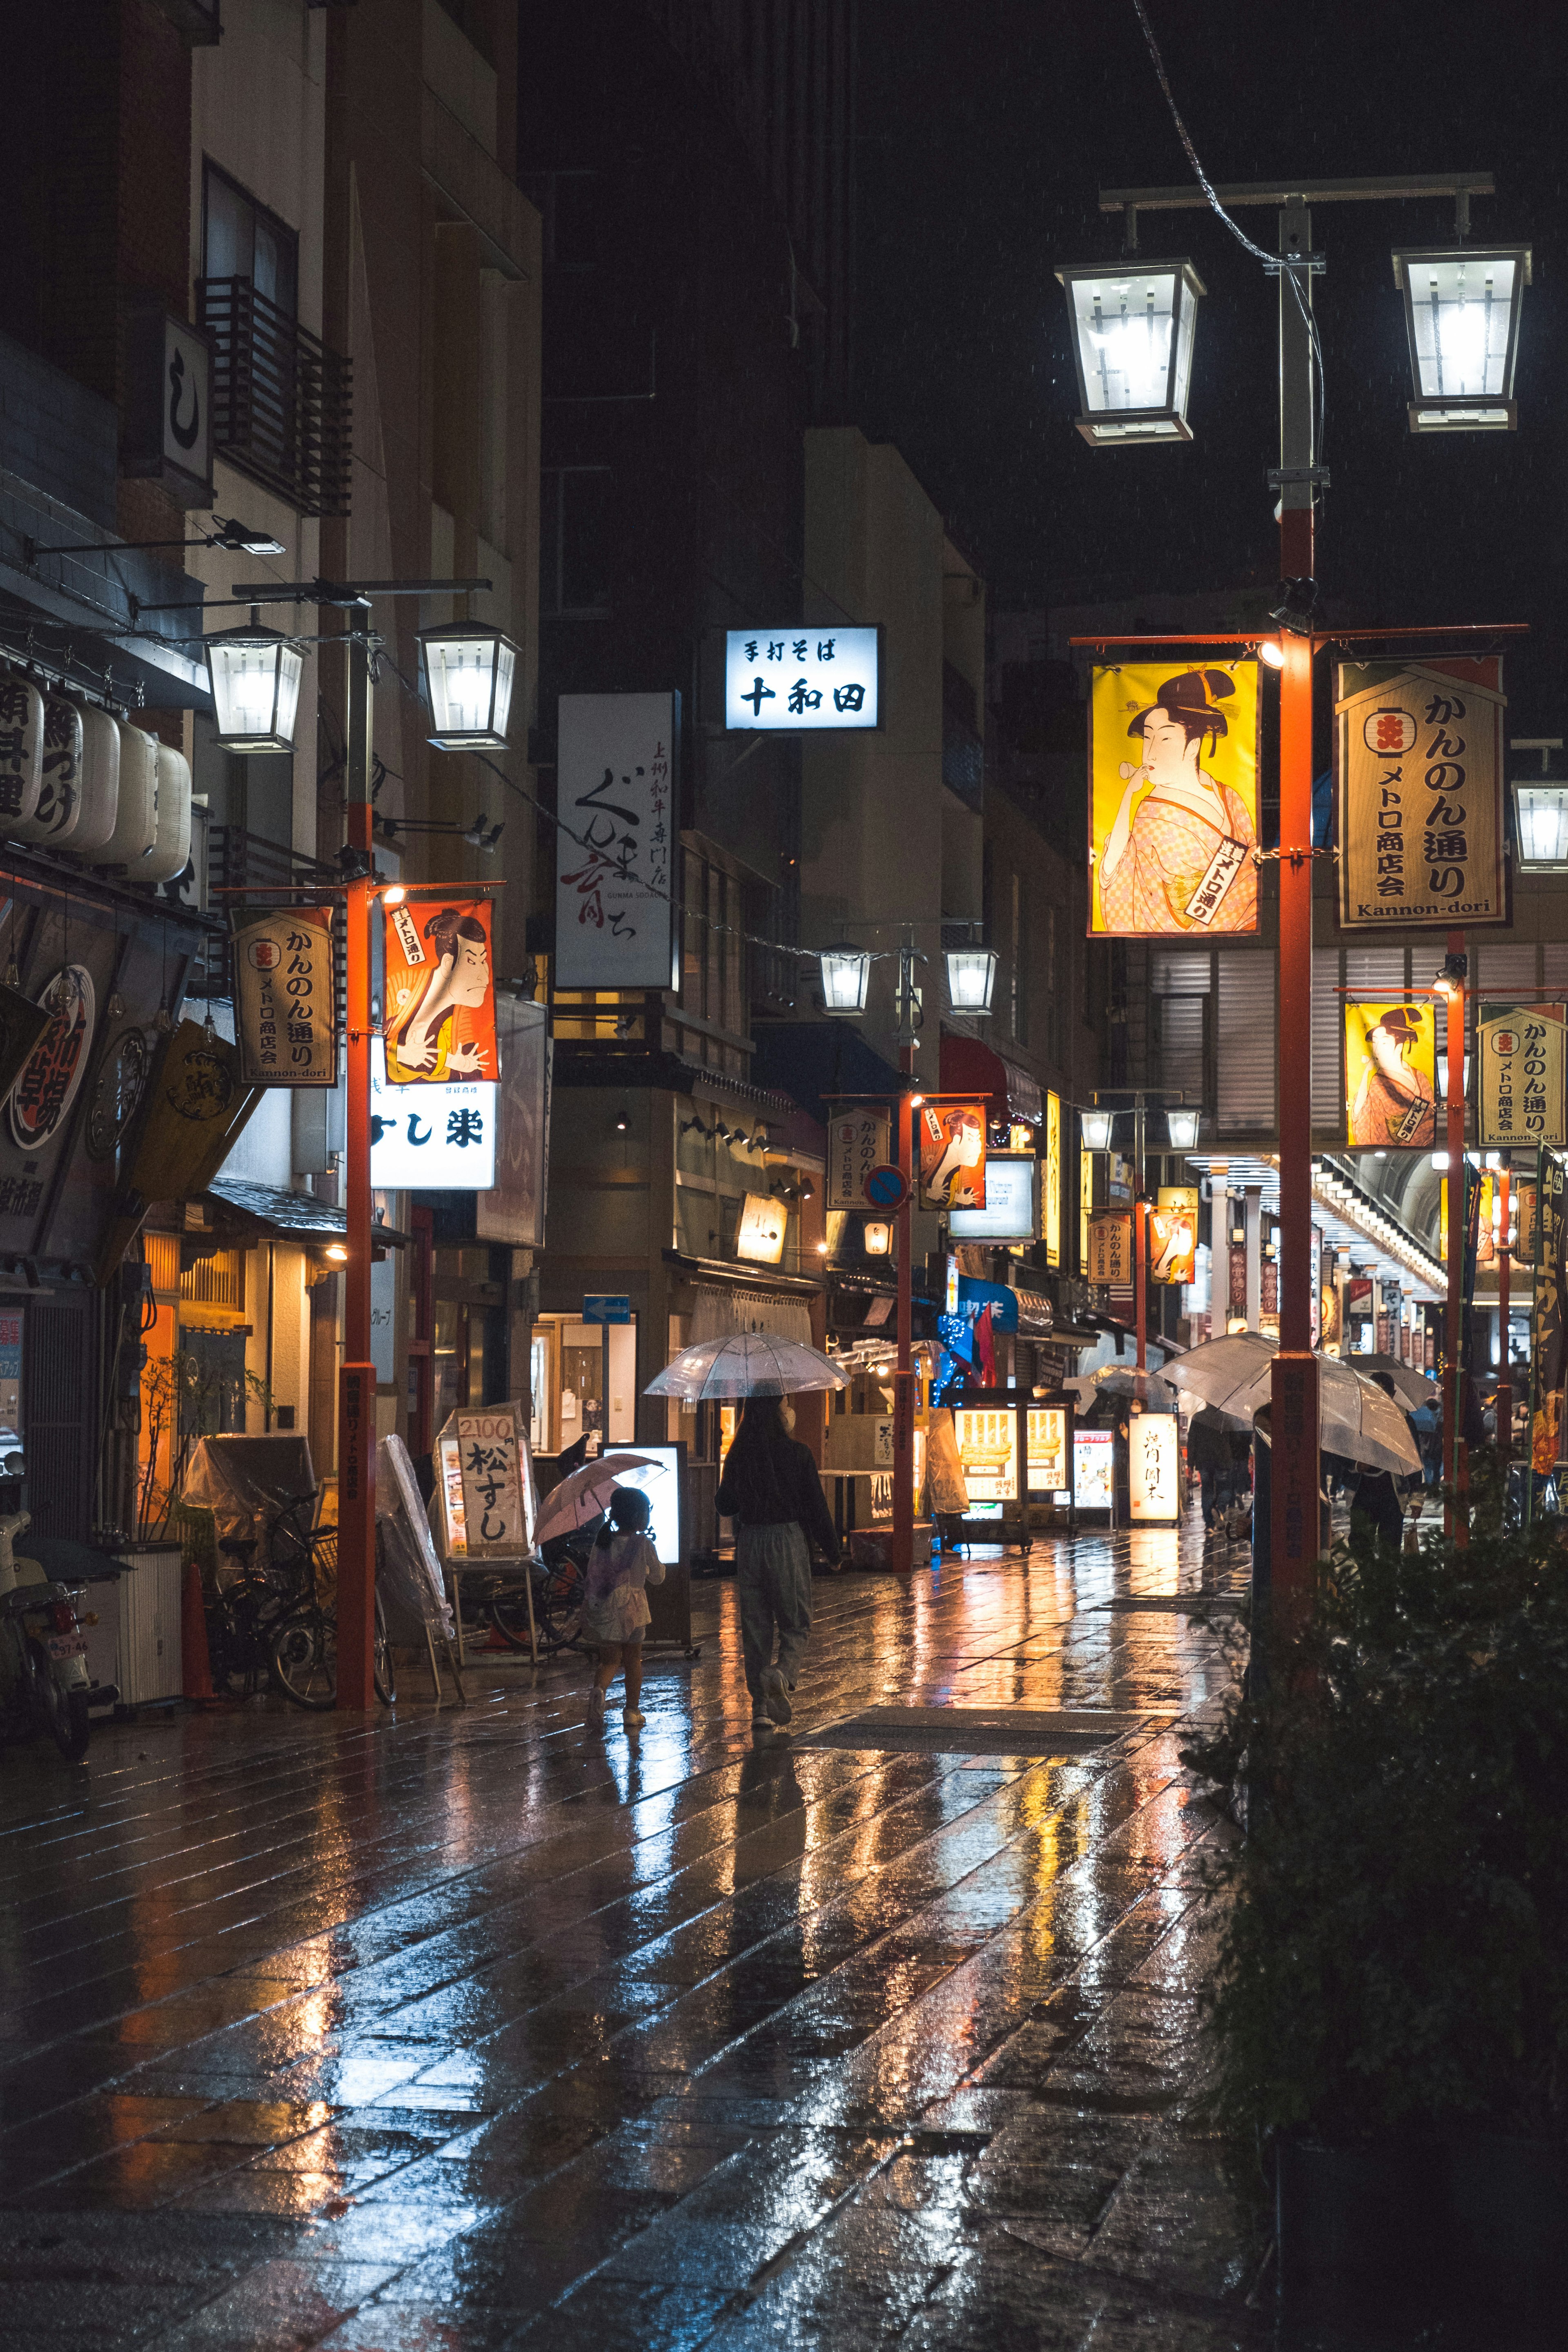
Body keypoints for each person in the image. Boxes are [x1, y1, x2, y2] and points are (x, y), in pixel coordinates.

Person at [1098, 668, 1257, 934]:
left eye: (1165, 738)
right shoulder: (1150, 812)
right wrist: (1128, 796)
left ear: (1193, 745)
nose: (1149, 753)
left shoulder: (1228, 796)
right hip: (1180, 928)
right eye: (1148, 738)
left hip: (1243, 918)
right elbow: (1119, 871)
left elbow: (1250, 859)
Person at [715, 1394, 840, 1730]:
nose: (789, 1411)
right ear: (776, 1412)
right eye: (785, 1405)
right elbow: (816, 1507)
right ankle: (782, 1674)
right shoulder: (798, 1454)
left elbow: (724, 1505)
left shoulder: (739, 1455)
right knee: (796, 1620)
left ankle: (760, 1708)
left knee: (756, 1628)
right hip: (786, 1540)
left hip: (751, 1542)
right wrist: (834, 1552)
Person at [581, 1486, 664, 1728]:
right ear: (640, 1517)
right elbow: (658, 1577)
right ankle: (631, 1711)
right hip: (634, 1611)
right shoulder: (643, 1544)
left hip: (605, 1607)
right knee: (633, 1660)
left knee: (609, 1661)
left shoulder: (602, 1542)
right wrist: (649, 1569)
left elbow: (592, 1574)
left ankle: (599, 1690)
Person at [1348, 1005, 1434, 1148]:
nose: (1376, 1050)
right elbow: (1361, 1115)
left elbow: (1430, 1107)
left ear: (1399, 1046)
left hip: (1427, 1140)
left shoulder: (1419, 1076)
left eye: (1384, 1043)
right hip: (1400, 1144)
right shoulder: (1378, 1082)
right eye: (1375, 1043)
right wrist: (1365, 1074)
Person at [1187, 1405, 1233, 1532]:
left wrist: (1190, 1462)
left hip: (1204, 1461)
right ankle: (1219, 1508)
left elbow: (1192, 1441)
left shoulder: (1198, 1417)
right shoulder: (1225, 1417)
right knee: (1225, 1489)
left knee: (1207, 1491)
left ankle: (1209, 1524)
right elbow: (1234, 1439)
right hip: (1223, 1460)